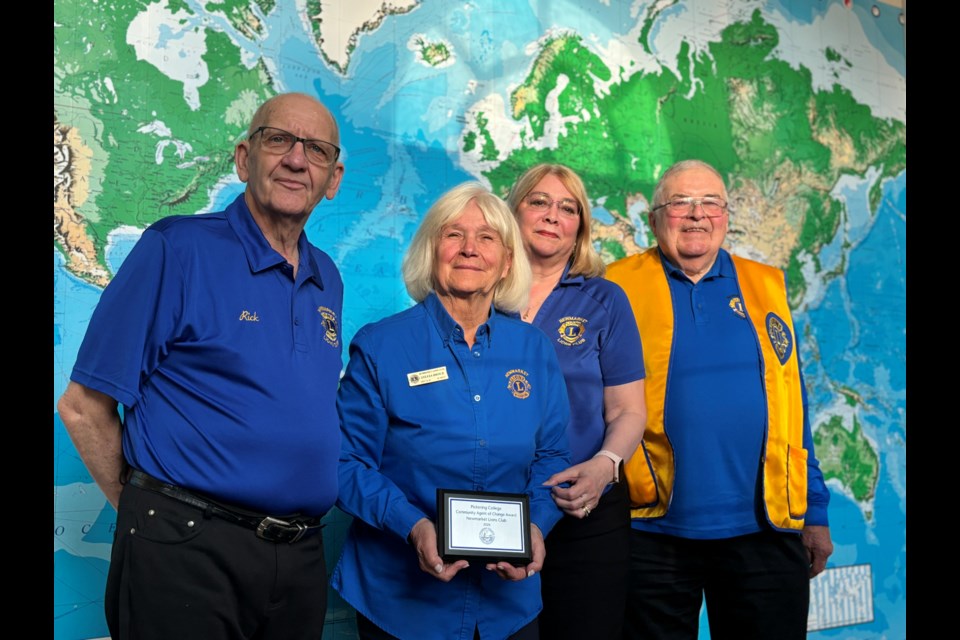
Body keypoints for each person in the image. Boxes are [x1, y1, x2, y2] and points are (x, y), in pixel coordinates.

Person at [56, 92, 346, 639]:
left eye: (316, 149)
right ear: (243, 158)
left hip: (298, 558)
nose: (296, 159)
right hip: (186, 551)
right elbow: (82, 407)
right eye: (278, 139)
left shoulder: (326, 276)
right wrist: (152, 518)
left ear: (332, 178)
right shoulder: (177, 249)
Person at [331, 182, 572, 640]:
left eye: (486, 238)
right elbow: (345, 463)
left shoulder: (534, 349)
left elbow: (552, 456)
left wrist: (537, 527)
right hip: (401, 604)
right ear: (430, 250)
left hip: (509, 607)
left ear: (506, 262)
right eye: (453, 234)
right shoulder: (382, 346)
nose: (469, 249)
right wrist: (413, 526)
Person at [605, 159, 833, 639]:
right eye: (679, 203)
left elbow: (794, 403)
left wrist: (814, 509)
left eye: (710, 202)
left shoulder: (766, 284)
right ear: (653, 218)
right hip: (650, 530)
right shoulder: (614, 286)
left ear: (727, 214)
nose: (696, 214)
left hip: (766, 529)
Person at [505, 164, 647, 640]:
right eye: (539, 202)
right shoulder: (480, 289)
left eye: (568, 208)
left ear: (580, 228)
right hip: (498, 505)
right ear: (513, 210)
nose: (552, 216)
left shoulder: (604, 300)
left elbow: (628, 411)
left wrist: (605, 466)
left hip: (582, 507)